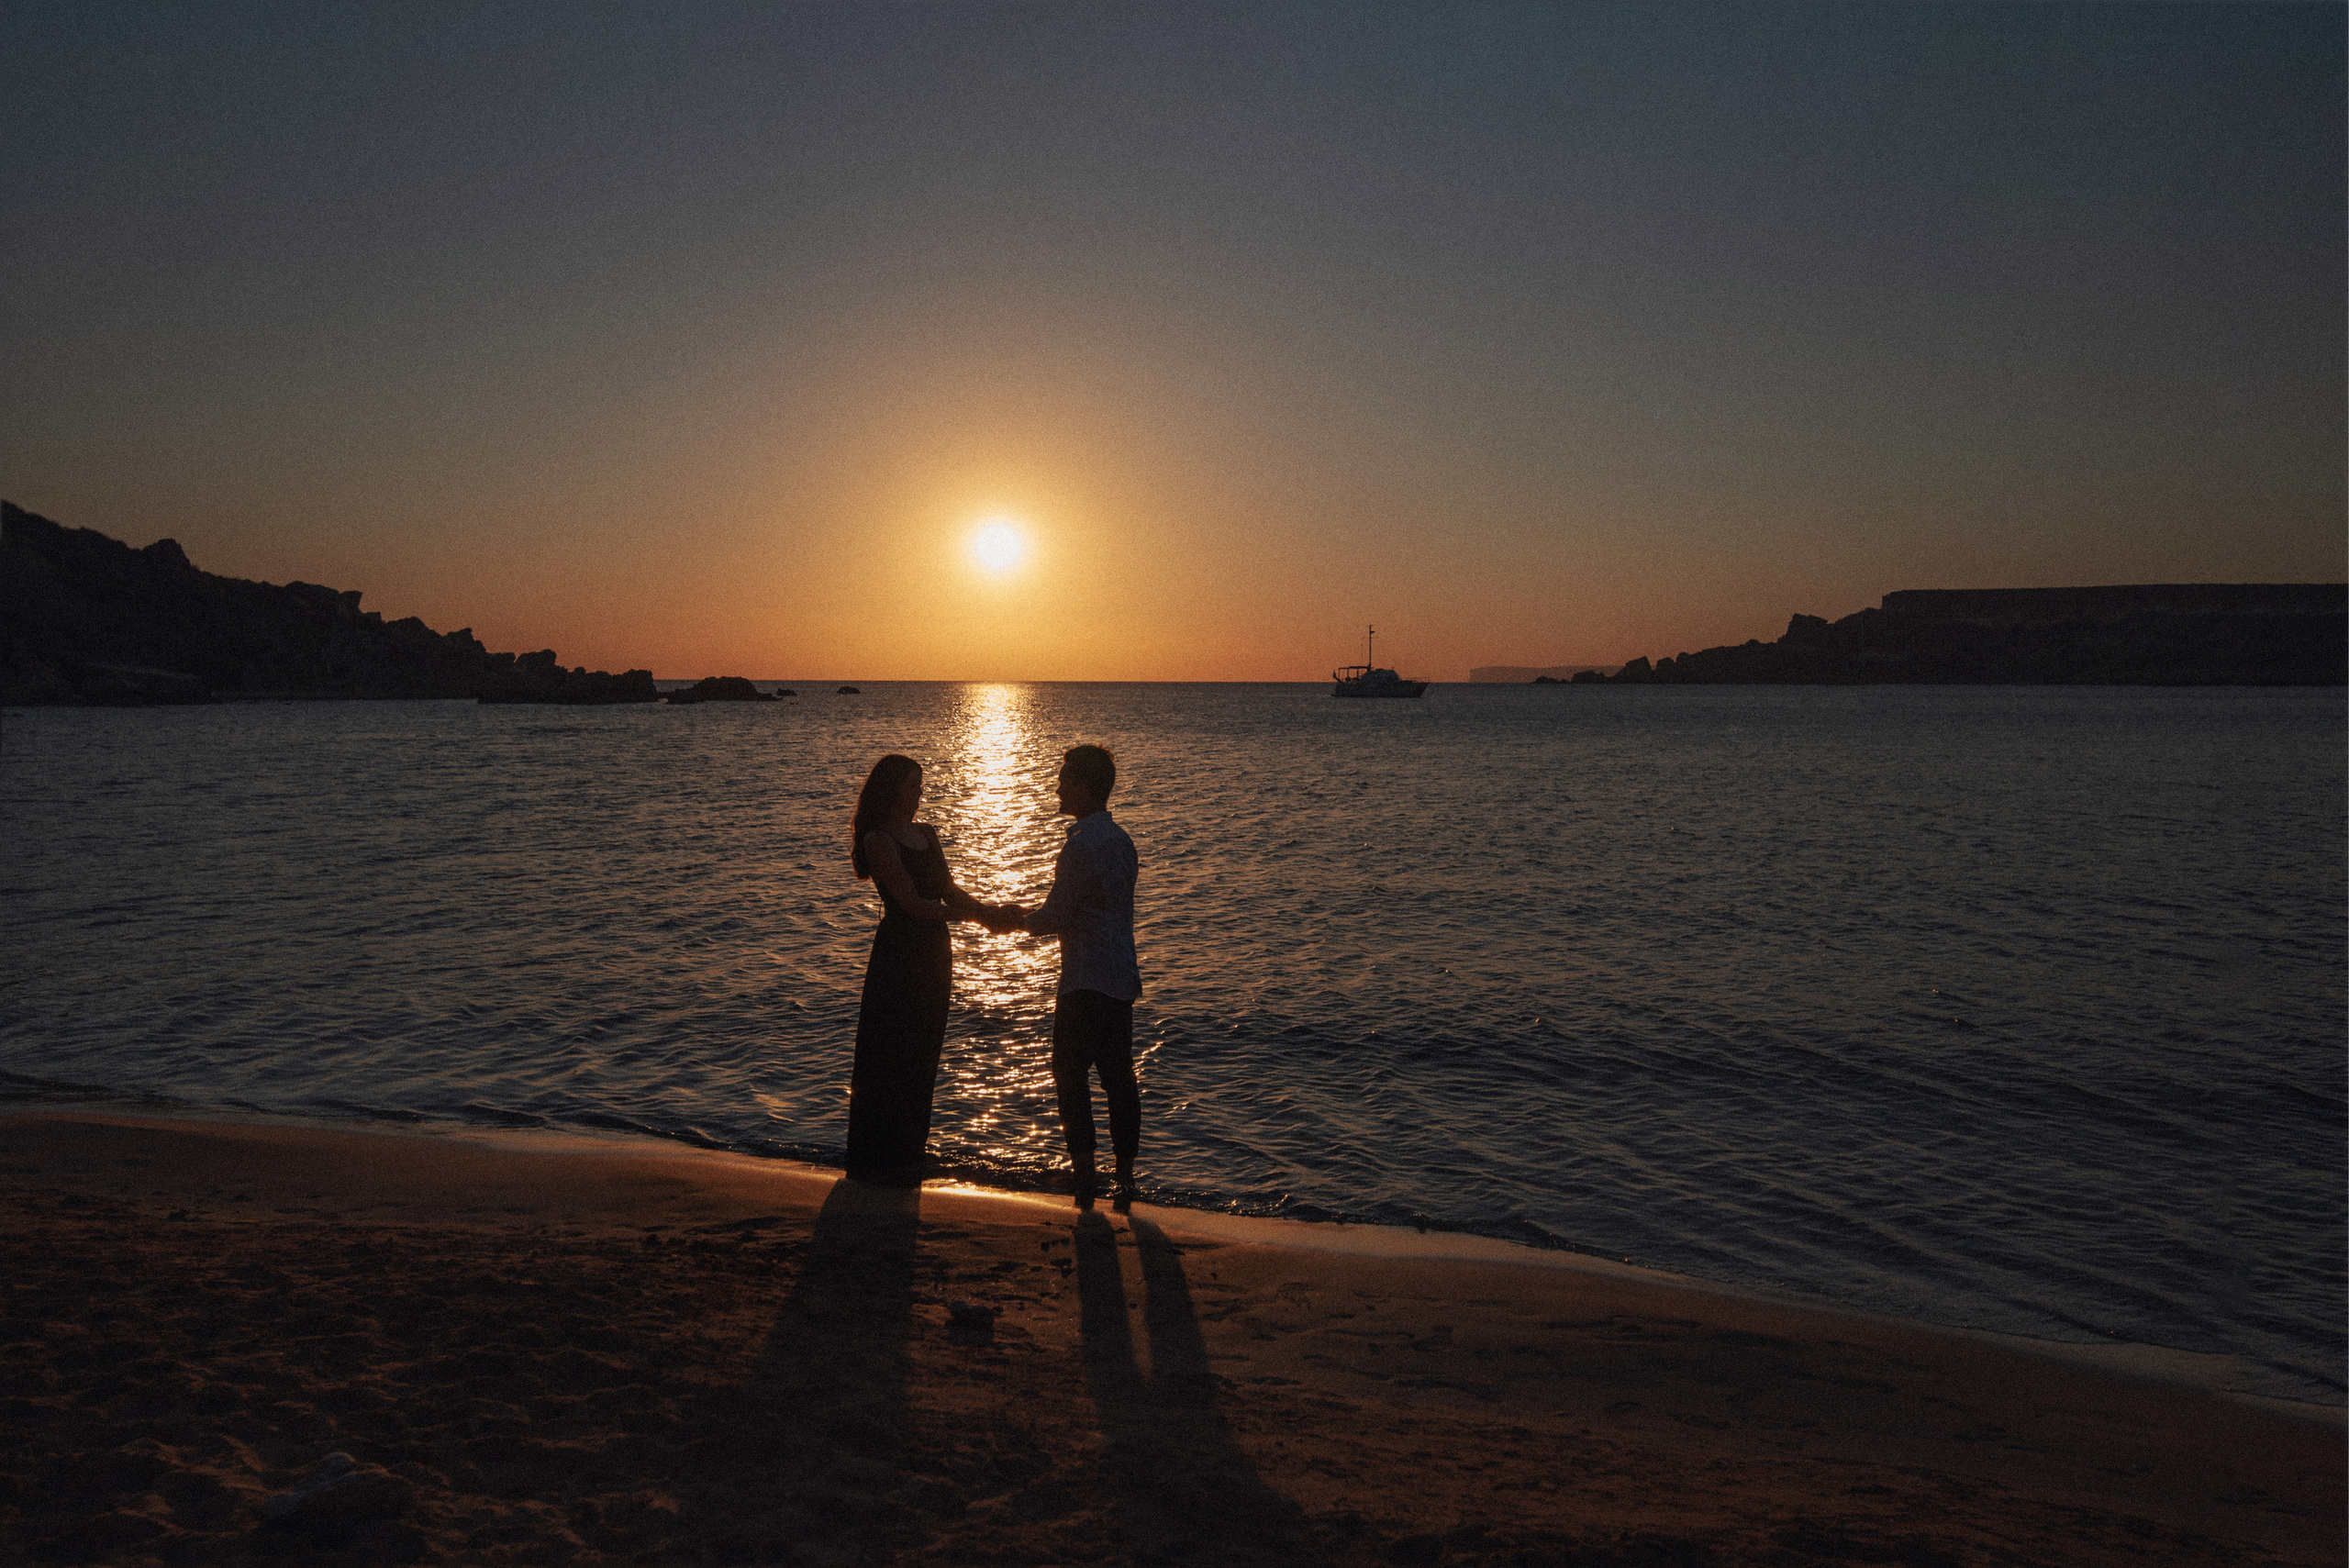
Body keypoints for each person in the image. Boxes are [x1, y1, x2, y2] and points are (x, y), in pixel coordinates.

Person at [846, 753, 1015, 1181]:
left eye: (920, 786)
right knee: (892, 1049)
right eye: (911, 786)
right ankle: (879, 1157)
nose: (918, 794)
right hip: (900, 953)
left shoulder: (927, 834)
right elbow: (912, 904)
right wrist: (977, 918)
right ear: (891, 790)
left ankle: (910, 1150)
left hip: (935, 950)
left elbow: (948, 890)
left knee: (925, 1046)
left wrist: (989, 911)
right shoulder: (879, 840)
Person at [1008, 744, 1142, 1199]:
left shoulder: (1081, 845)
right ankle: (1125, 1175)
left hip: (1085, 976)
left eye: (1065, 781)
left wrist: (1014, 920)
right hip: (1120, 974)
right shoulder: (1122, 841)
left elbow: (1057, 915)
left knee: (1069, 1074)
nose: (1058, 789)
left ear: (1084, 788)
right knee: (1118, 1077)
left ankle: (1084, 1170)